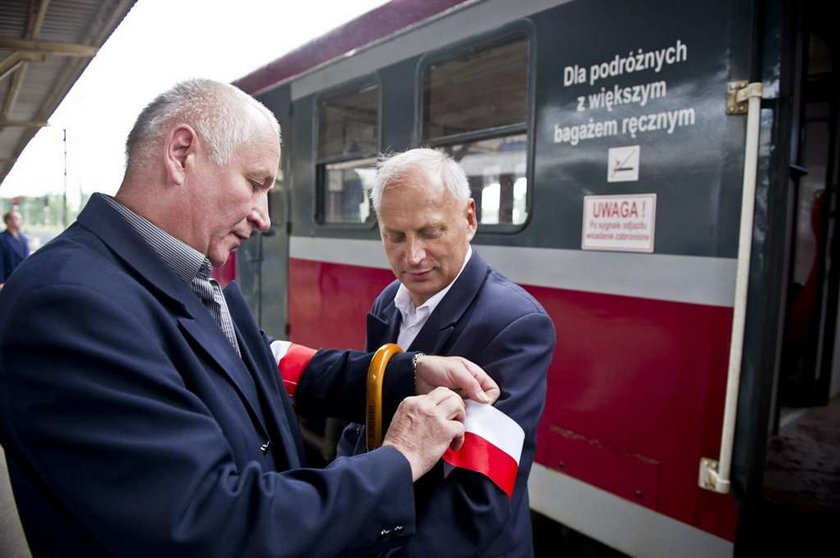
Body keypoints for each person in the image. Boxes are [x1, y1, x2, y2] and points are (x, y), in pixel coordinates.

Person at [0, 80, 500, 558]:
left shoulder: (167, 274)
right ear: (181, 154)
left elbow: (256, 365)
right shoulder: (69, 305)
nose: (264, 216)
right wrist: (399, 460)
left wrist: (404, 372)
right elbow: (208, 524)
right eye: (255, 184)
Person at [337, 148, 556, 557]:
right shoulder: (389, 302)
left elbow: (479, 495)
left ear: (469, 219)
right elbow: (364, 422)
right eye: (395, 236)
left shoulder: (515, 324)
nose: (413, 257)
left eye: (431, 232)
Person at [0, 209, 30, 287]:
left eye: (21, 218)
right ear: (8, 221)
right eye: (17, 218)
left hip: (23, 279)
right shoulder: (2, 239)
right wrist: (1, 281)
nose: (21, 221)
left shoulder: (24, 239)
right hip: (8, 280)